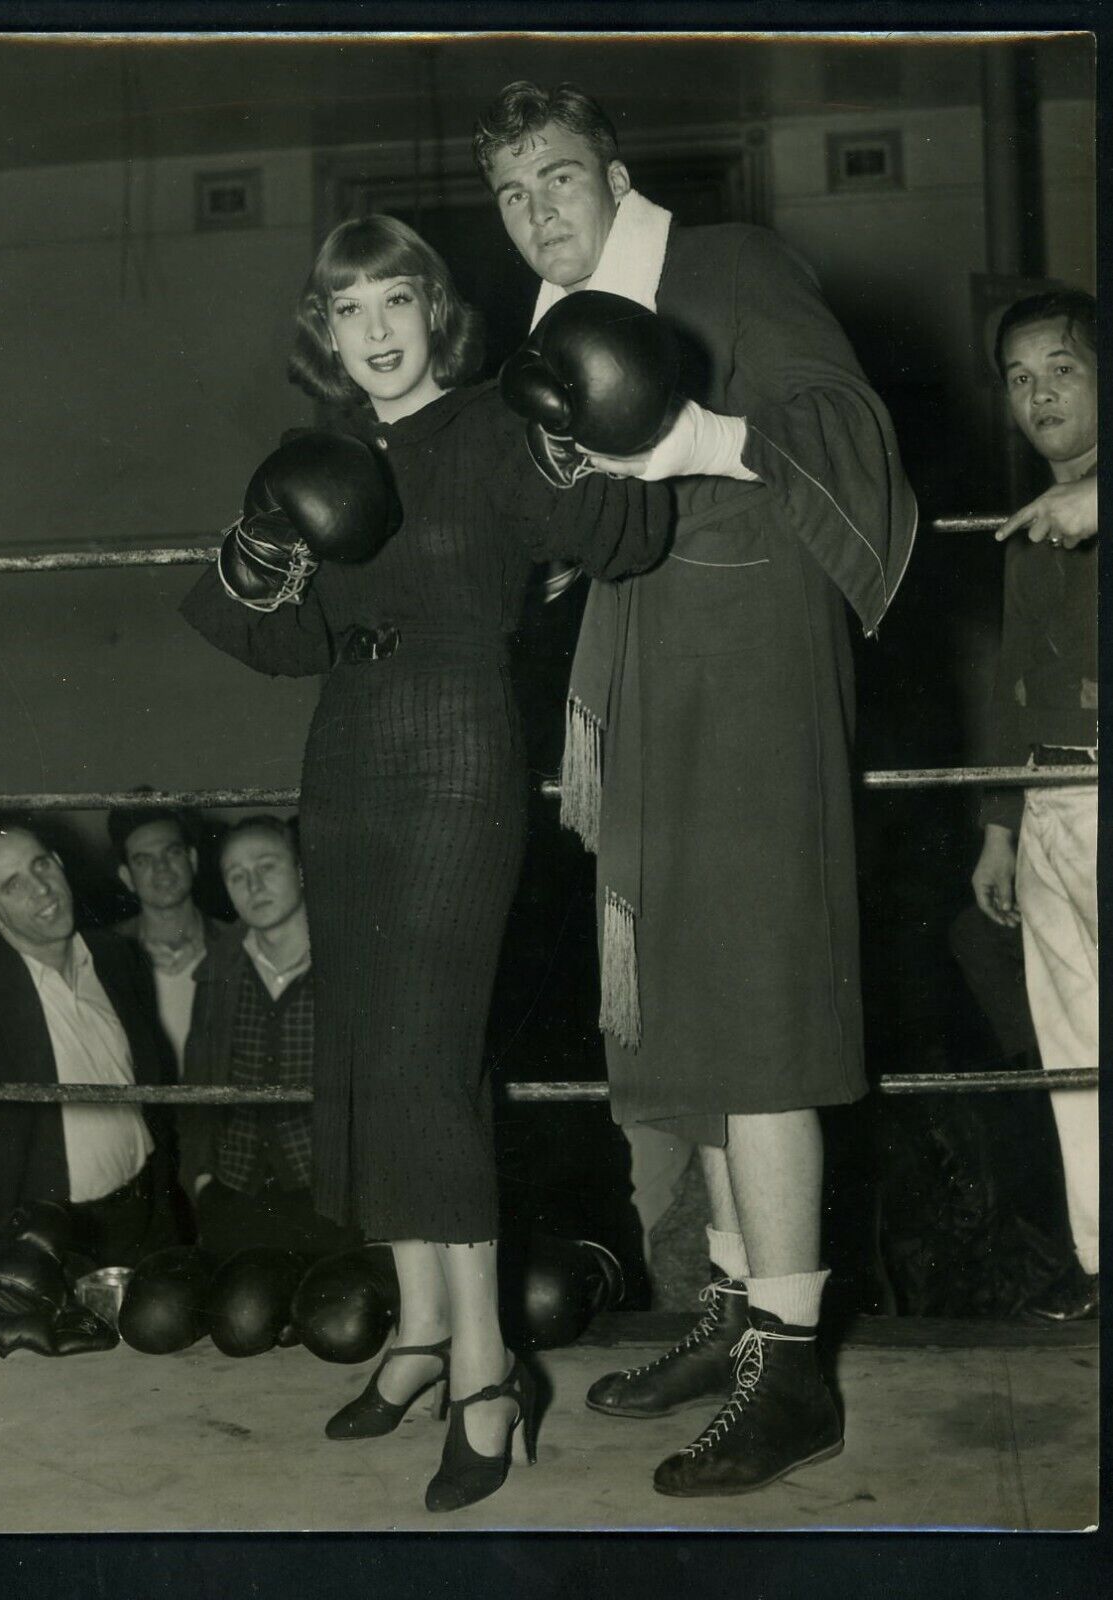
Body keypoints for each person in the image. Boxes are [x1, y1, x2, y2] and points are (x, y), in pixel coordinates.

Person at [180, 213, 670, 1511]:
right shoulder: (325, 456)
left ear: (432, 312)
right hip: (342, 757)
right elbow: (274, 643)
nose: (377, 331)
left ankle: (490, 1381)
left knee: (424, 1056)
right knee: (363, 1044)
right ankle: (417, 1332)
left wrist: (572, 435)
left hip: (458, 752)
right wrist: (259, 558)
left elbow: (620, 537)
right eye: (350, 312)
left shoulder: (494, 428)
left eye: (396, 301)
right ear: (324, 333)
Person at [473, 81, 917, 1496]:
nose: (537, 213)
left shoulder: (723, 263)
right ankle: (732, 1317)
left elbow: (847, 429)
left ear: (612, 173)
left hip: (750, 653)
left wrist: (704, 442)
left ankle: (792, 1373)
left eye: (555, 180)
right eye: (511, 196)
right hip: (649, 665)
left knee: (758, 996)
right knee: (681, 1000)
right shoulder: (554, 331)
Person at [0, 817, 183, 1311]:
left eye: (41, 864)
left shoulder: (115, 955)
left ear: (59, 863)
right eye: (13, 884)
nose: (42, 889)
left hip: (148, 1217)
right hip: (47, 1243)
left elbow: (151, 1082)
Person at [970, 289, 1098, 1323]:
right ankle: (1102, 1268)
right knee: (1074, 1055)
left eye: (1060, 367)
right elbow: (1011, 679)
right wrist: (999, 826)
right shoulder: (1027, 528)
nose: (1038, 392)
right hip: (1051, 801)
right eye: (1018, 378)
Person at [179, 814, 359, 1262]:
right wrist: (201, 1180)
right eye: (236, 875)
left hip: (335, 1199)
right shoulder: (218, 969)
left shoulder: (351, 961)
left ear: (302, 869)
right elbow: (196, 1079)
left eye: (267, 866)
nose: (253, 884)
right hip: (236, 1193)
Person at [107, 796, 225, 1078]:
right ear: (126, 877)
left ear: (192, 859)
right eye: (143, 860)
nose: (161, 868)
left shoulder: (237, 944)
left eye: (171, 852)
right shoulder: (104, 956)